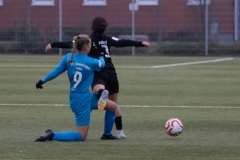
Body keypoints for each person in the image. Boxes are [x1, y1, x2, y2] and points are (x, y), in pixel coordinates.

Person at [45, 16, 150, 139]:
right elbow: (121, 42)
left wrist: (53, 44)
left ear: (92, 27)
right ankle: (119, 132)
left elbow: (70, 43)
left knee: (97, 89)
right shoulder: (107, 39)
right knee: (113, 104)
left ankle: (100, 93)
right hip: (111, 72)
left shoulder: (87, 41)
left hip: (99, 70)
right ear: (105, 28)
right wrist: (140, 43)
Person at [35, 34, 120, 142]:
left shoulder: (68, 58)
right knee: (81, 136)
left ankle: (107, 134)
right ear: (86, 47)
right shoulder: (90, 62)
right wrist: (101, 54)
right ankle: (52, 135)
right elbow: (102, 64)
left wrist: (42, 81)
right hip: (81, 101)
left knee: (112, 107)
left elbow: (55, 72)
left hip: (83, 97)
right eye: (90, 44)